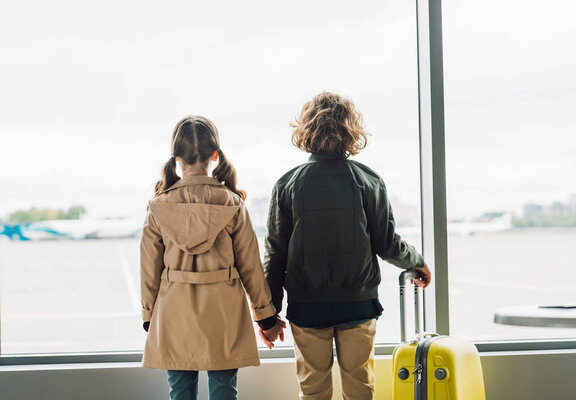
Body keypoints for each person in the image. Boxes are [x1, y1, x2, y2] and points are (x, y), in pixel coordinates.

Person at [263, 92, 432, 400]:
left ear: (305, 130)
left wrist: (269, 314)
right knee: (360, 390)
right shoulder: (369, 180)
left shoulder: (287, 184)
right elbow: (387, 242)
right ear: (350, 130)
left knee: (313, 391)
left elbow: (275, 254)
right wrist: (416, 260)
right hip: (358, 304)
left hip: (307, 306)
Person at [140, 116, 285, 400]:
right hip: (224, 313)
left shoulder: (158, 207)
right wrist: (266, 317)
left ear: (176, 158)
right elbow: (251, 268)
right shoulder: (232, 204)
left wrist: (148, 314)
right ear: (215, 155)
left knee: (179, 392)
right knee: (224, 391)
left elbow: (148, 270)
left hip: (174, 312)